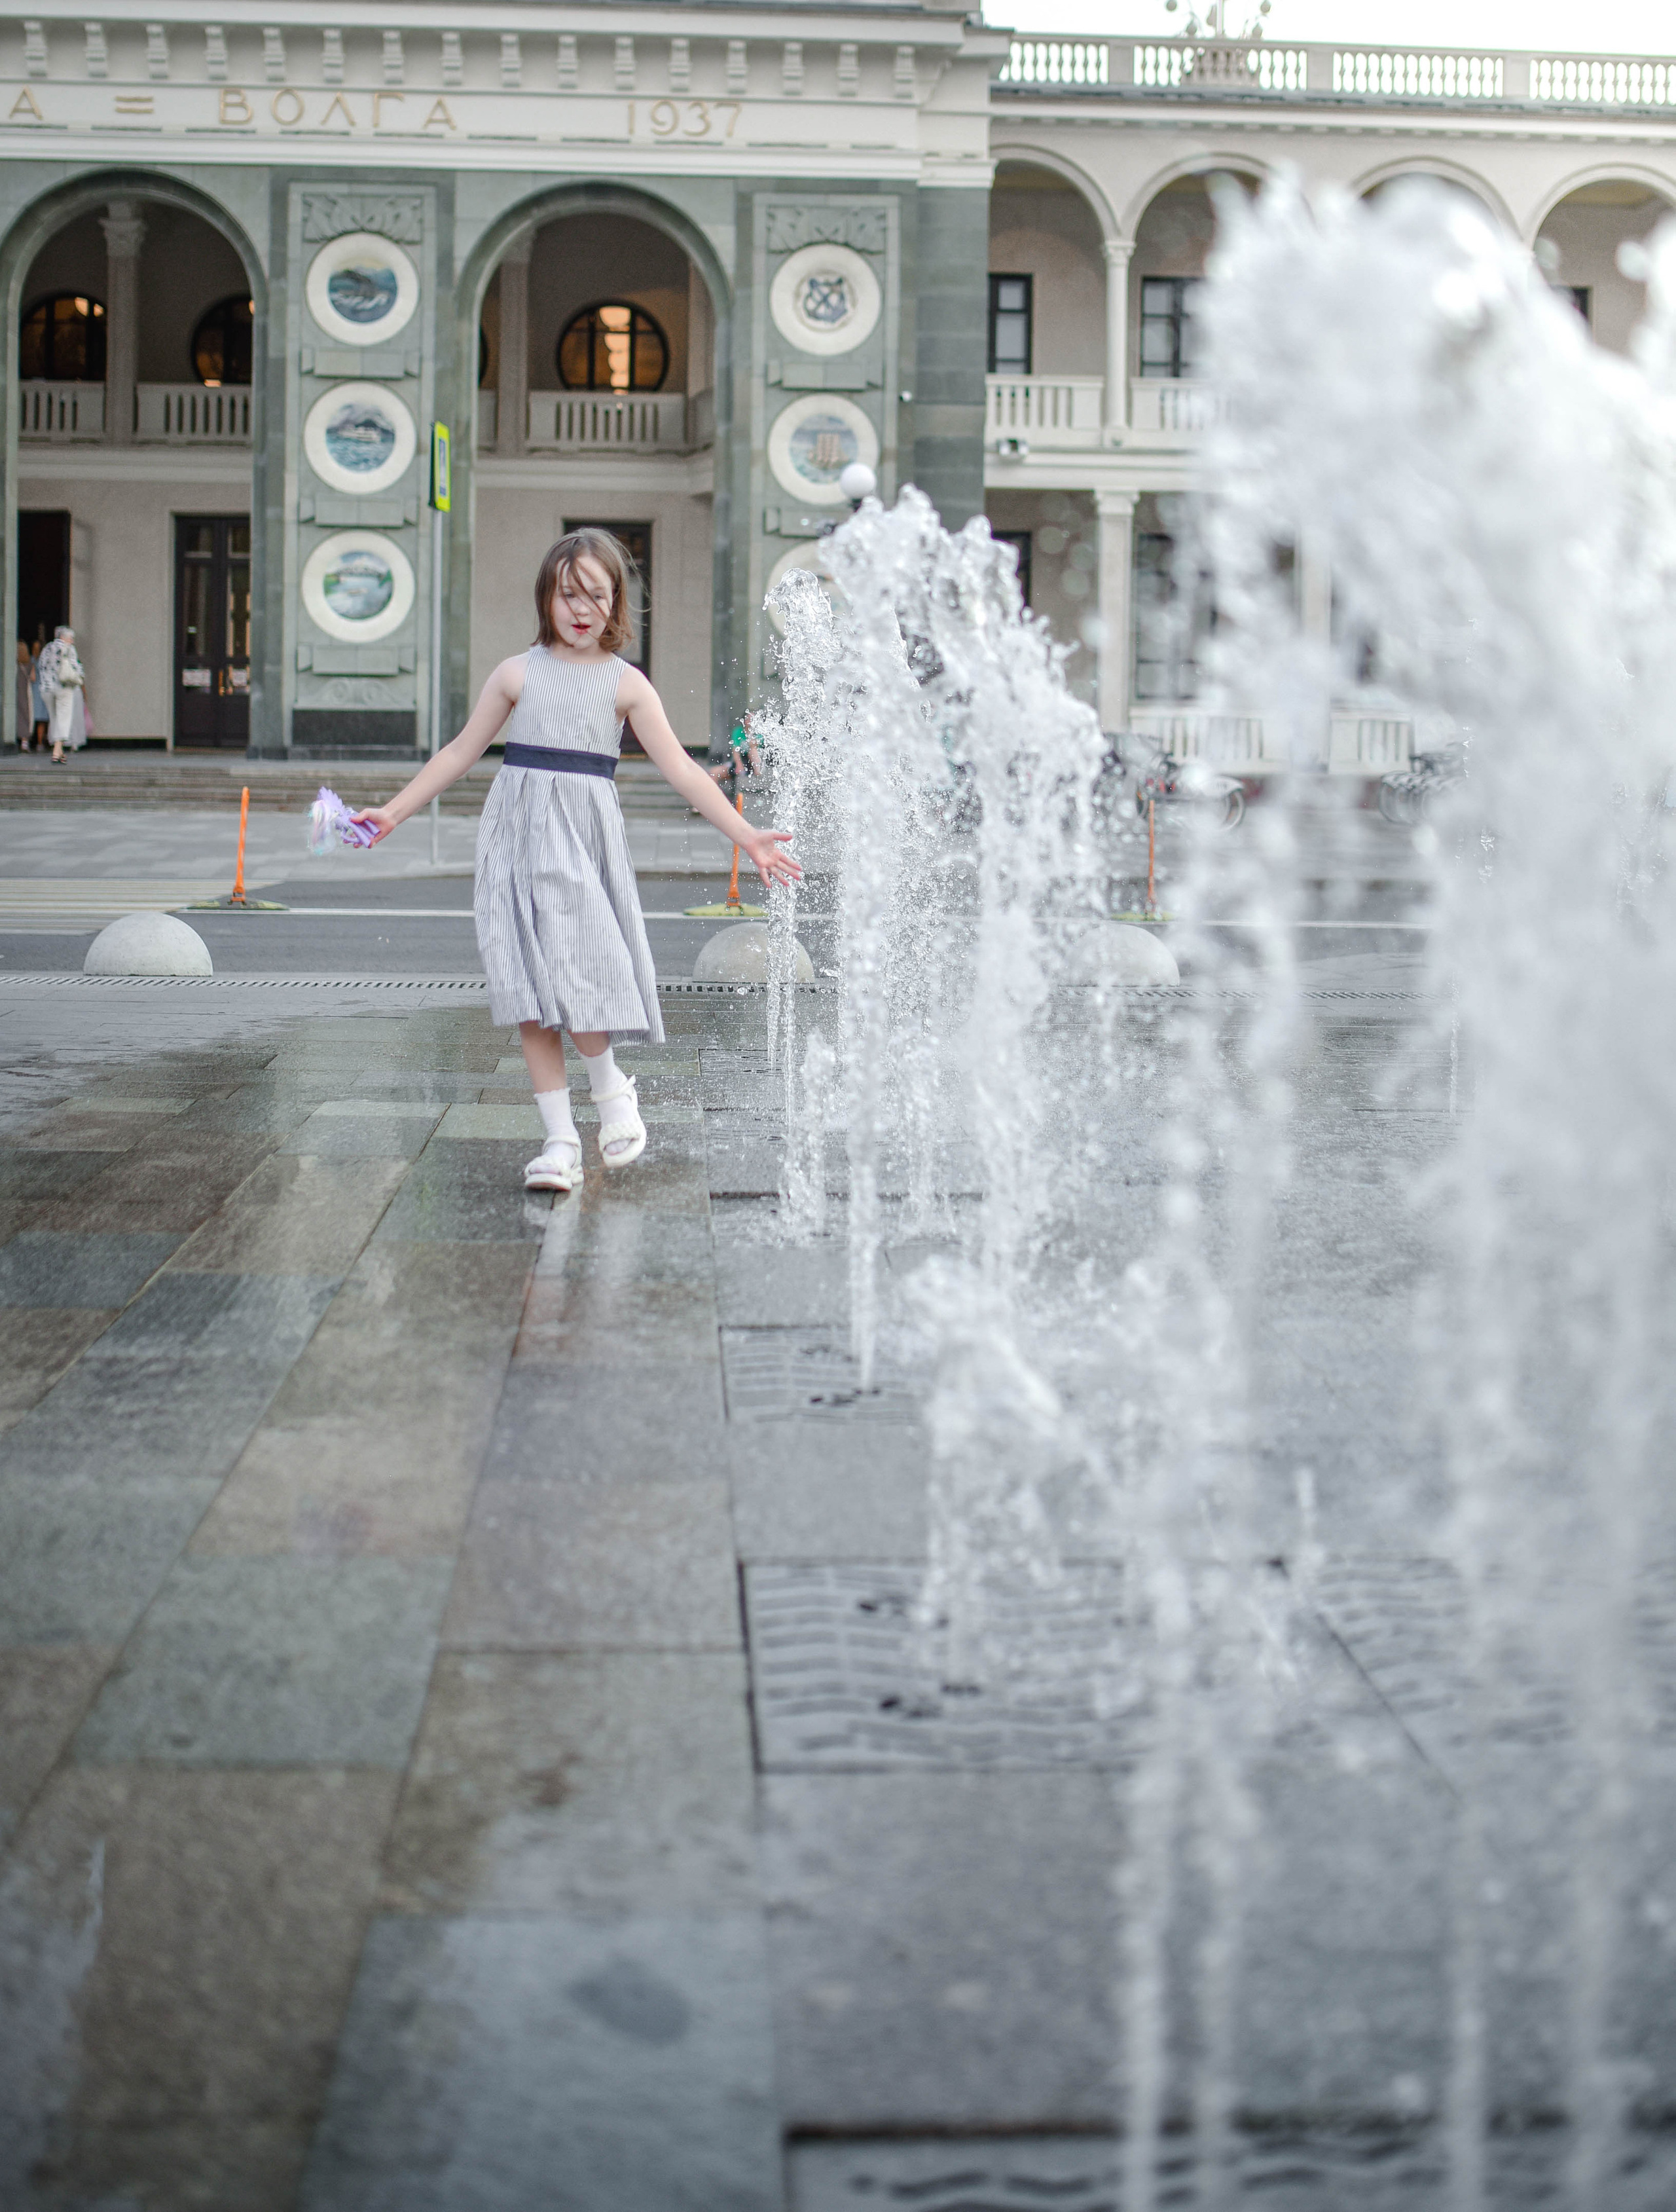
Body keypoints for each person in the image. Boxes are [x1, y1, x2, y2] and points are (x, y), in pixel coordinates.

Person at [352, 528, 801, 1194]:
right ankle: (559, 1142)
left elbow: (681, 769)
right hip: (514, 840)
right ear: (547, 598)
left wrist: (746, 835)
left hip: (582, 844)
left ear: (616, 602)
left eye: (597, 593)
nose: (581, 607)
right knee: (529, 993)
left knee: (580, 975)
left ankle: (611, 1091)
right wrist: (394, 811)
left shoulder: (628, 686)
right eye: (568, 593)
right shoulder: (516, 674)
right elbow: (458, 753)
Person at [36, 625, 86, 764]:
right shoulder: (69, 649)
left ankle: (60, 752)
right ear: (64, 638)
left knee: (54, 718)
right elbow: (76, 668)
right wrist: (81, 677)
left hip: (46, 689)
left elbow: (41, 666)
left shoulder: (47, 648)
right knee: (64, 718)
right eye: (71, 638)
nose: (72, 641)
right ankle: (56, 751)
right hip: (63, 687)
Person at [709, 708, 763, 788]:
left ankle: (758, 775)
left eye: (752, 719)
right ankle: (714, 796)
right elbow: (735, 750)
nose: (750, 721)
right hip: (740, 761)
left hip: (754, 763)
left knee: (753, 751)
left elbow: (754, 747)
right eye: (747, 719)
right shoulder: (738, 732)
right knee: (714, 772)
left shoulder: (760, 733)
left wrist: (751, 735)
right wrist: (739, 765)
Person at [14, 642, 33, 750]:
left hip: (14, 693)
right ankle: (25, 743)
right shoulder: (30, 665)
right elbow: (33, 678)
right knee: (26, 715)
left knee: (16, 716)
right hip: (25, 693)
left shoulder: (13, 665)